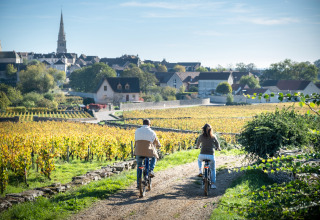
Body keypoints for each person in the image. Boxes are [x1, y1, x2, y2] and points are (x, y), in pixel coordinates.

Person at [134, 119, 161, 188]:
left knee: (139, 167)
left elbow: (136, 141)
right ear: (149, 124)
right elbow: (156, 142)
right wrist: (158, 145)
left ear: (143, 124)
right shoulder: (152, 132)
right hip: (148, 151)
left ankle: (138, 184)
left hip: (138, 151)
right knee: (154, 157)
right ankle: (151, 170)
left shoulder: (137, 131)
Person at [196, 123, 221, 189]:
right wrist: (218, 148)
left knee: (199, 160)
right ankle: (212, 184)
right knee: (213, 169)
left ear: (203, 129)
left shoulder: (201, 136)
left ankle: (200, 171)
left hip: (202, 155)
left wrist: (197, 147)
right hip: (211, 156)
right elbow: (217, 144)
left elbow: (198, 144)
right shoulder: (213, 136)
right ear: (211, 129)